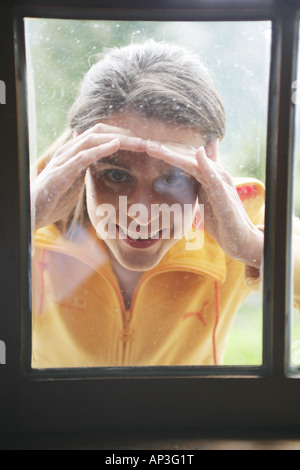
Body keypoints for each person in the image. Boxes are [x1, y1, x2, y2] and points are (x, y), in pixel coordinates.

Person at [30, 40, 300, 368]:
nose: (140, 213)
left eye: (174, 177)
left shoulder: (241, 216)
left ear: (209, 160)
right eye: (116, 174)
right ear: (80, 155)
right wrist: (23, 219)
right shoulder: (32, 201)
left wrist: (253, 247)